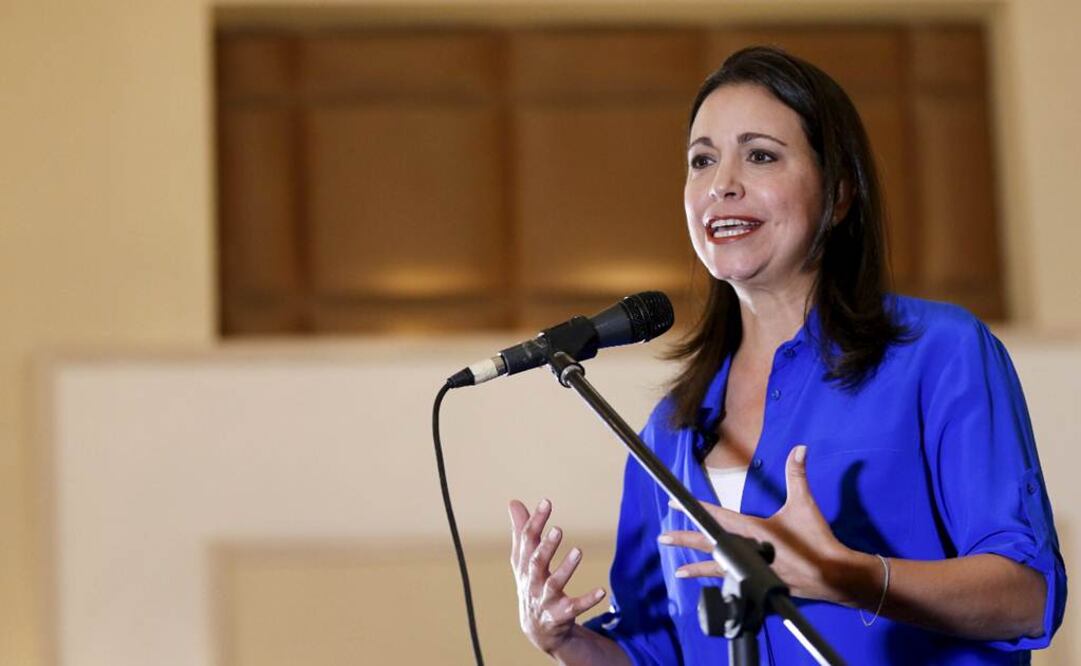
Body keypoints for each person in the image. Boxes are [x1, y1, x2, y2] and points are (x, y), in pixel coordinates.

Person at [507, 46, 1067, 665]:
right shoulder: (669, 431)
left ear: (841, 192)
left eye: (761, 155)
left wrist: (848, 576)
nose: (722, 184)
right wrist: (566, 641)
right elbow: (658, 654)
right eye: (702, 160)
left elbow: (1028, 598)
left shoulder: (941, 353)